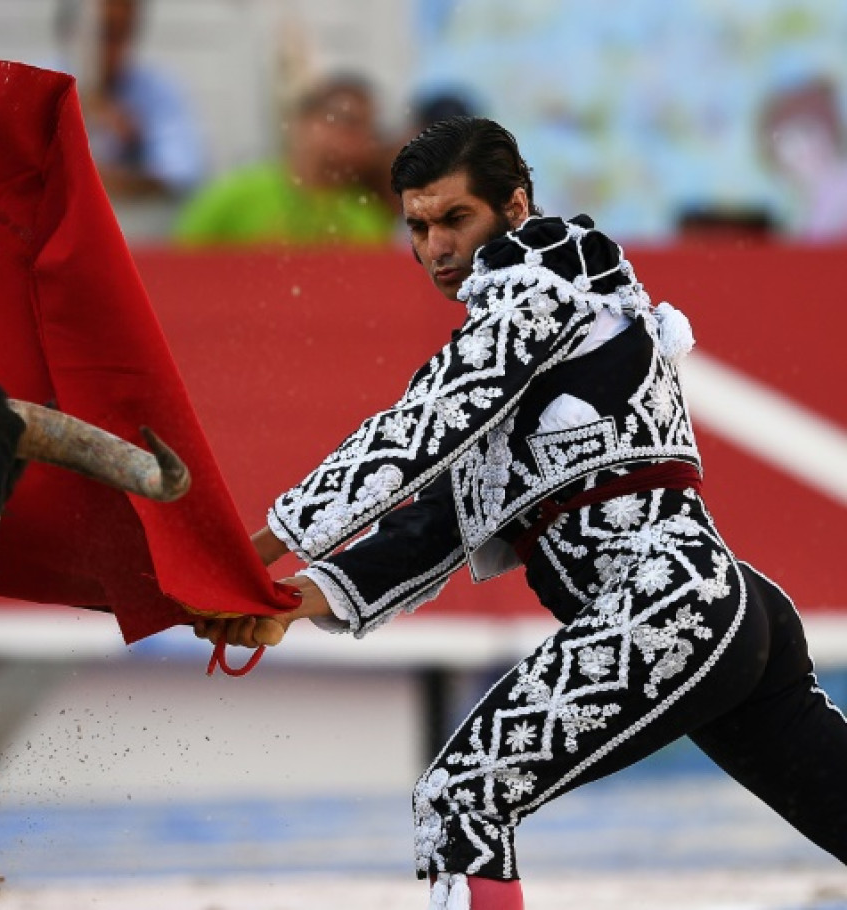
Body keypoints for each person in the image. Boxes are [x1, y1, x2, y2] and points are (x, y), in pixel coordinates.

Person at [196, 117, 847, 909]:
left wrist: (245, 553)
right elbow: (437, 520)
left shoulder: (536, 283)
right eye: (417, 227)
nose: (435, 248)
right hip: (720, 607)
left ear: (513, 207)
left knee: (460, 800)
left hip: (670, 604)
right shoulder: (557, 320)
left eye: (454, 220)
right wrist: (287, 602)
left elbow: (416, 431)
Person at [172, 73, 394, 246]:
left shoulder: (366, 217)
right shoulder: (237, 194)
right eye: (346, 120)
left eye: (368, 128)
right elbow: (179, 264)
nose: (355, 138)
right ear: (302, 122)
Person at [53, 0, 205, 200]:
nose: (115, 48)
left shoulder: (157, 90)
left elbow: (184, 174)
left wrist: (136, 145)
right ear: (71, 31)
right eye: (105, 33)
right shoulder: (39, 86)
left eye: (123, 34)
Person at [757, 75, 847, 242]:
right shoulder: (800, 208)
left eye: (808, 131)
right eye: (788, 139)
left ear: (829, 131)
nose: (803, 147)